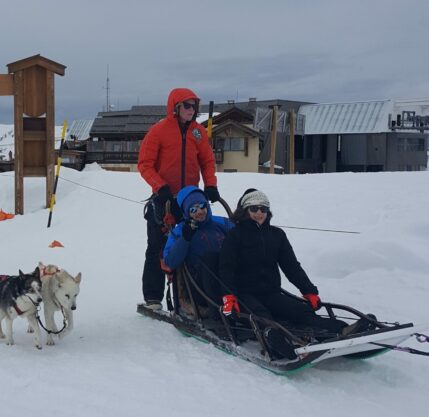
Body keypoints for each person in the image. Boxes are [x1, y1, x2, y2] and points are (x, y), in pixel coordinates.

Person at [218, 189, 373, 359]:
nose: (259, 213)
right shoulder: (235, 236)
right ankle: (276, 341)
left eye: (263, 209)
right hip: (244, 293)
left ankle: (341, 330)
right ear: (245, 211)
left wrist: (309, 291)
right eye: (254, 209)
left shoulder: (277, 235)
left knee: (300, 310)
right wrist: (228, 296)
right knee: (261, 316)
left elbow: (291, 266)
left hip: (271, 292)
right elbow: (226, 269)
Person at [137, 88, 221, 310]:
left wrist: (210, 185)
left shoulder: (198, 133)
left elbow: (207, 162)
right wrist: (160, 186)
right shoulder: (158, 131)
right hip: (164, 199)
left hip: (190, 201)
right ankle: (154, 297)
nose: (191, 110)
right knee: (157, 246)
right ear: (175, 107)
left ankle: (187, 298)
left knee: (189, 244)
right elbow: (145, 164)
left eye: (194, 106)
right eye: (187, 105)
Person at [163, 186, 234, 314]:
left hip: (229, 278)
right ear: (186, 212)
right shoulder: (180, 231)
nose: (199, 212)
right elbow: (170, 261)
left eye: (202, 206)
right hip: (199, 286)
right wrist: (185, 239)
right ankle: (217, 312)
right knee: (210, 258)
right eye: (193, 209)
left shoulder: (223, 223)